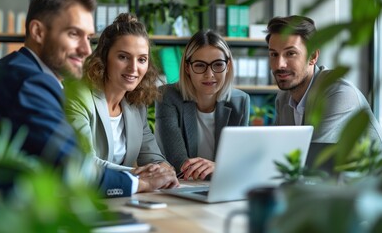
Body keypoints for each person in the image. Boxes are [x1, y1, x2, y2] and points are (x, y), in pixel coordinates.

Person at [0, 0, 178, 197]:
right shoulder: (30, 81)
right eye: (73, 34)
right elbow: (74, 169)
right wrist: (141, 183)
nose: (86, 50)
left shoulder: (17, 69)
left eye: (87, 37)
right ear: (38, 32)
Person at [64, 13, 175, 177]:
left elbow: (153, 157)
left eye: (142, 59)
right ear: (104, 57)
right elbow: (84, 161)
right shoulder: (79, 96)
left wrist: (164, 169)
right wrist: (137, 174)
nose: (133, 68)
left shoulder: (136, 105)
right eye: (123, 57)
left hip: (123, 198)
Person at [266, 15, 382, 145]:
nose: (279, 64)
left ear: (313, 56)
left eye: (291, 53)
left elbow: (309, 157)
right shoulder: (283, 98)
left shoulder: (338, 93)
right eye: (274, 54)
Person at [155, 29, 250, 180]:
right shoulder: (167, 97)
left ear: (228, 66)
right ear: (187, 68)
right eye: (200, 65)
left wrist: (222, 168)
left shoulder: (240, 101)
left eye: (218, 64)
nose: (209, 74)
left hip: (222, 187)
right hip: (181, 188)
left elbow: (238, 161)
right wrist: (222, 169)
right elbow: (179, 162)